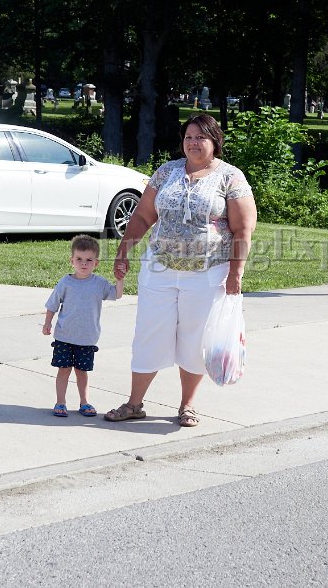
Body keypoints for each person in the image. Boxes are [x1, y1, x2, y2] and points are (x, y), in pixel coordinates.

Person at [105, 114, 257, 428]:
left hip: (208, 273)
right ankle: (134, 404)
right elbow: (143, 216)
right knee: (148, 335)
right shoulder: (167, 172)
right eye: (188, 137)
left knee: (194, 340)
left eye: (200, 137)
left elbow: (243, 229)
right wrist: (123, 252)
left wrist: (235, 273)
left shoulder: (231, 177)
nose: (193, 143)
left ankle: (187, 405)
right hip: (159, 270)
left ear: (215, 141)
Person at [43, 235, 124, 418]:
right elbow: (52, 304)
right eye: (79, 259)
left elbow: (117, 295)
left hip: (87, 338)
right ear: (72, 261)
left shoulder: (99, 283)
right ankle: (60, 402)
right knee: (64, 370)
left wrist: (120, 278)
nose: (84, 263)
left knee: (82, 372)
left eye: (89, 260)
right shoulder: (66, 282)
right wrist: (47, 323)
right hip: (64, 336)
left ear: (96, 263)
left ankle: (84, 402)